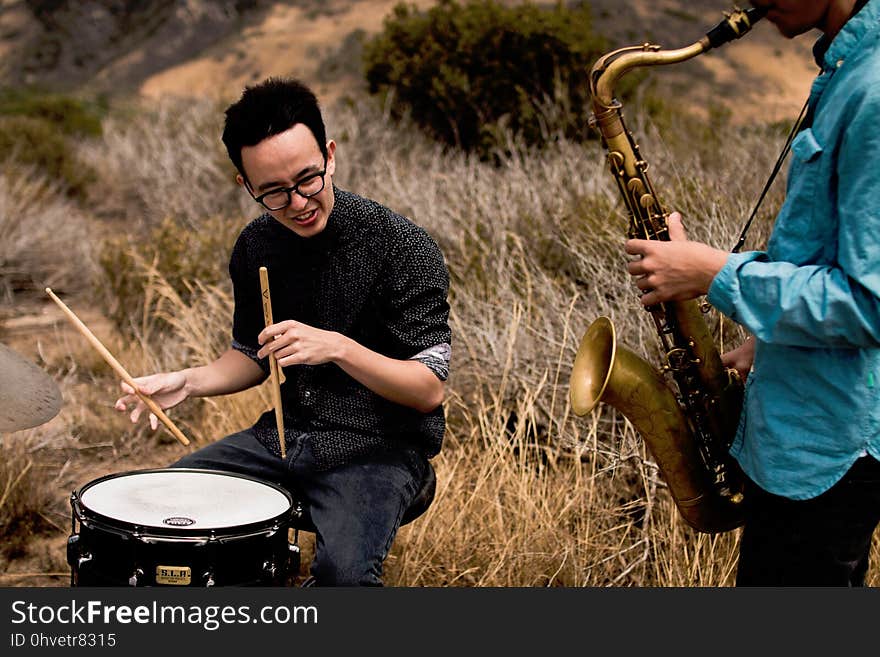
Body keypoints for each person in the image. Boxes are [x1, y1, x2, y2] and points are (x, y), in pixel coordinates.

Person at [114, 77, 452, 586]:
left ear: (330, 155)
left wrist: (337, 348)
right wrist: (188, 381)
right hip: (282, 439)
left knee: (343, 575)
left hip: (379, 451)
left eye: (308, 179)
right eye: (273, 191)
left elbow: (428, 391)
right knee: (161, 512)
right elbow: (253, 354)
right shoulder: (255, 245)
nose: (297, 202)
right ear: (246, 186)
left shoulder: (403, 247)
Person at [623, 0, 880, 586]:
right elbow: (833, 255)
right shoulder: (846, 69)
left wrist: (713, 274)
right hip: (807, 430)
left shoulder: (874, 89)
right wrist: (771, 343)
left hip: (830, 452)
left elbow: (871, 302)